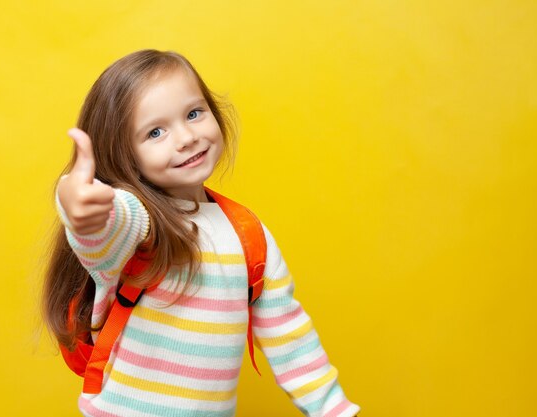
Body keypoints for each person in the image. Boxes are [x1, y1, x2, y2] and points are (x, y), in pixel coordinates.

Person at [43, 49, 360, 417]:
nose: (187, 137)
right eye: (155, 132)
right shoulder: (138, 222)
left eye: (194, 113)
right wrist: (79, 205)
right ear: (123, 155)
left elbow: (291, 337)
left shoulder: (247, 236)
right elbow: (107, 225)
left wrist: (334, 410)